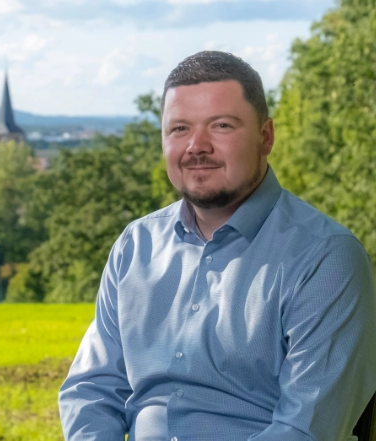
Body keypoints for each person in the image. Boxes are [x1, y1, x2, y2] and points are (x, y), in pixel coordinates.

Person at [59, 51, 376, 441]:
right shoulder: (134, 246)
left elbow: (303, 430)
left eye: (221, 125)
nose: (197, 146)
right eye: (179, 129)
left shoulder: (326, 258)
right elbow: (91, 389)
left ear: (266, 137)